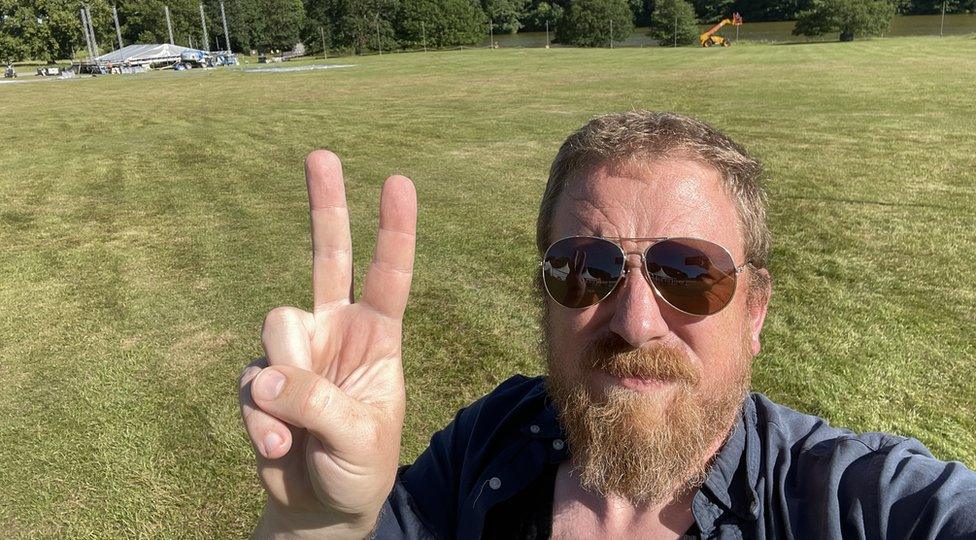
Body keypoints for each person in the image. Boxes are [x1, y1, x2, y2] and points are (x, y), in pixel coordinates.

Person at [238, 111, 976, 538]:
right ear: (543, 296)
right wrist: (316, 524)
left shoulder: (851, 501)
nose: (635, 322)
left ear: (755, 311)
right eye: (585, 268)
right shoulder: (488, 444)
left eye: (691, 271)